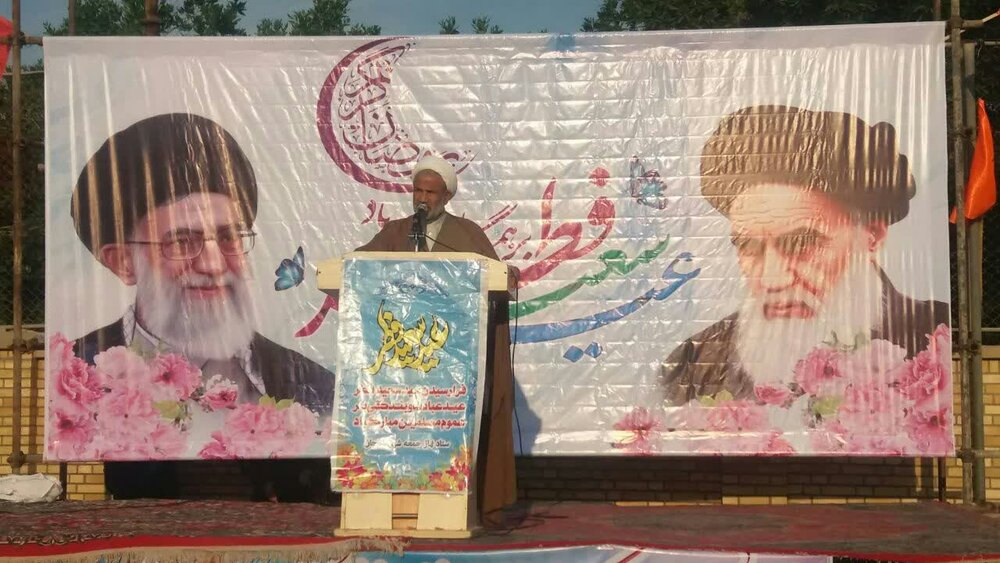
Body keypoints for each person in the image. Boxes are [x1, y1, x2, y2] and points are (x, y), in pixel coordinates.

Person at [70, 112, 334, 501]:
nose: (213, 264)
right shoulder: (79, 375)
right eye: (182, 242)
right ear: (123, 261)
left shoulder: (313, 384)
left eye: (229, 237)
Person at [661, 105, 949, 405]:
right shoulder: (693, 365)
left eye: (800, 243)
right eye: (748, 246)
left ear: (872, 235)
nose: (773, 279)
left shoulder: (936, 337)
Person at [357, 155, 517, 527]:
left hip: (454, 362)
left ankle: (470, 505)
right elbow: (362, 265)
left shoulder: (467, 233)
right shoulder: (396, 232)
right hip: (402, 368)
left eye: (430, 192)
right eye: (418, 190)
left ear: (446, 196)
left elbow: (495, 276)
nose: (422, 198)